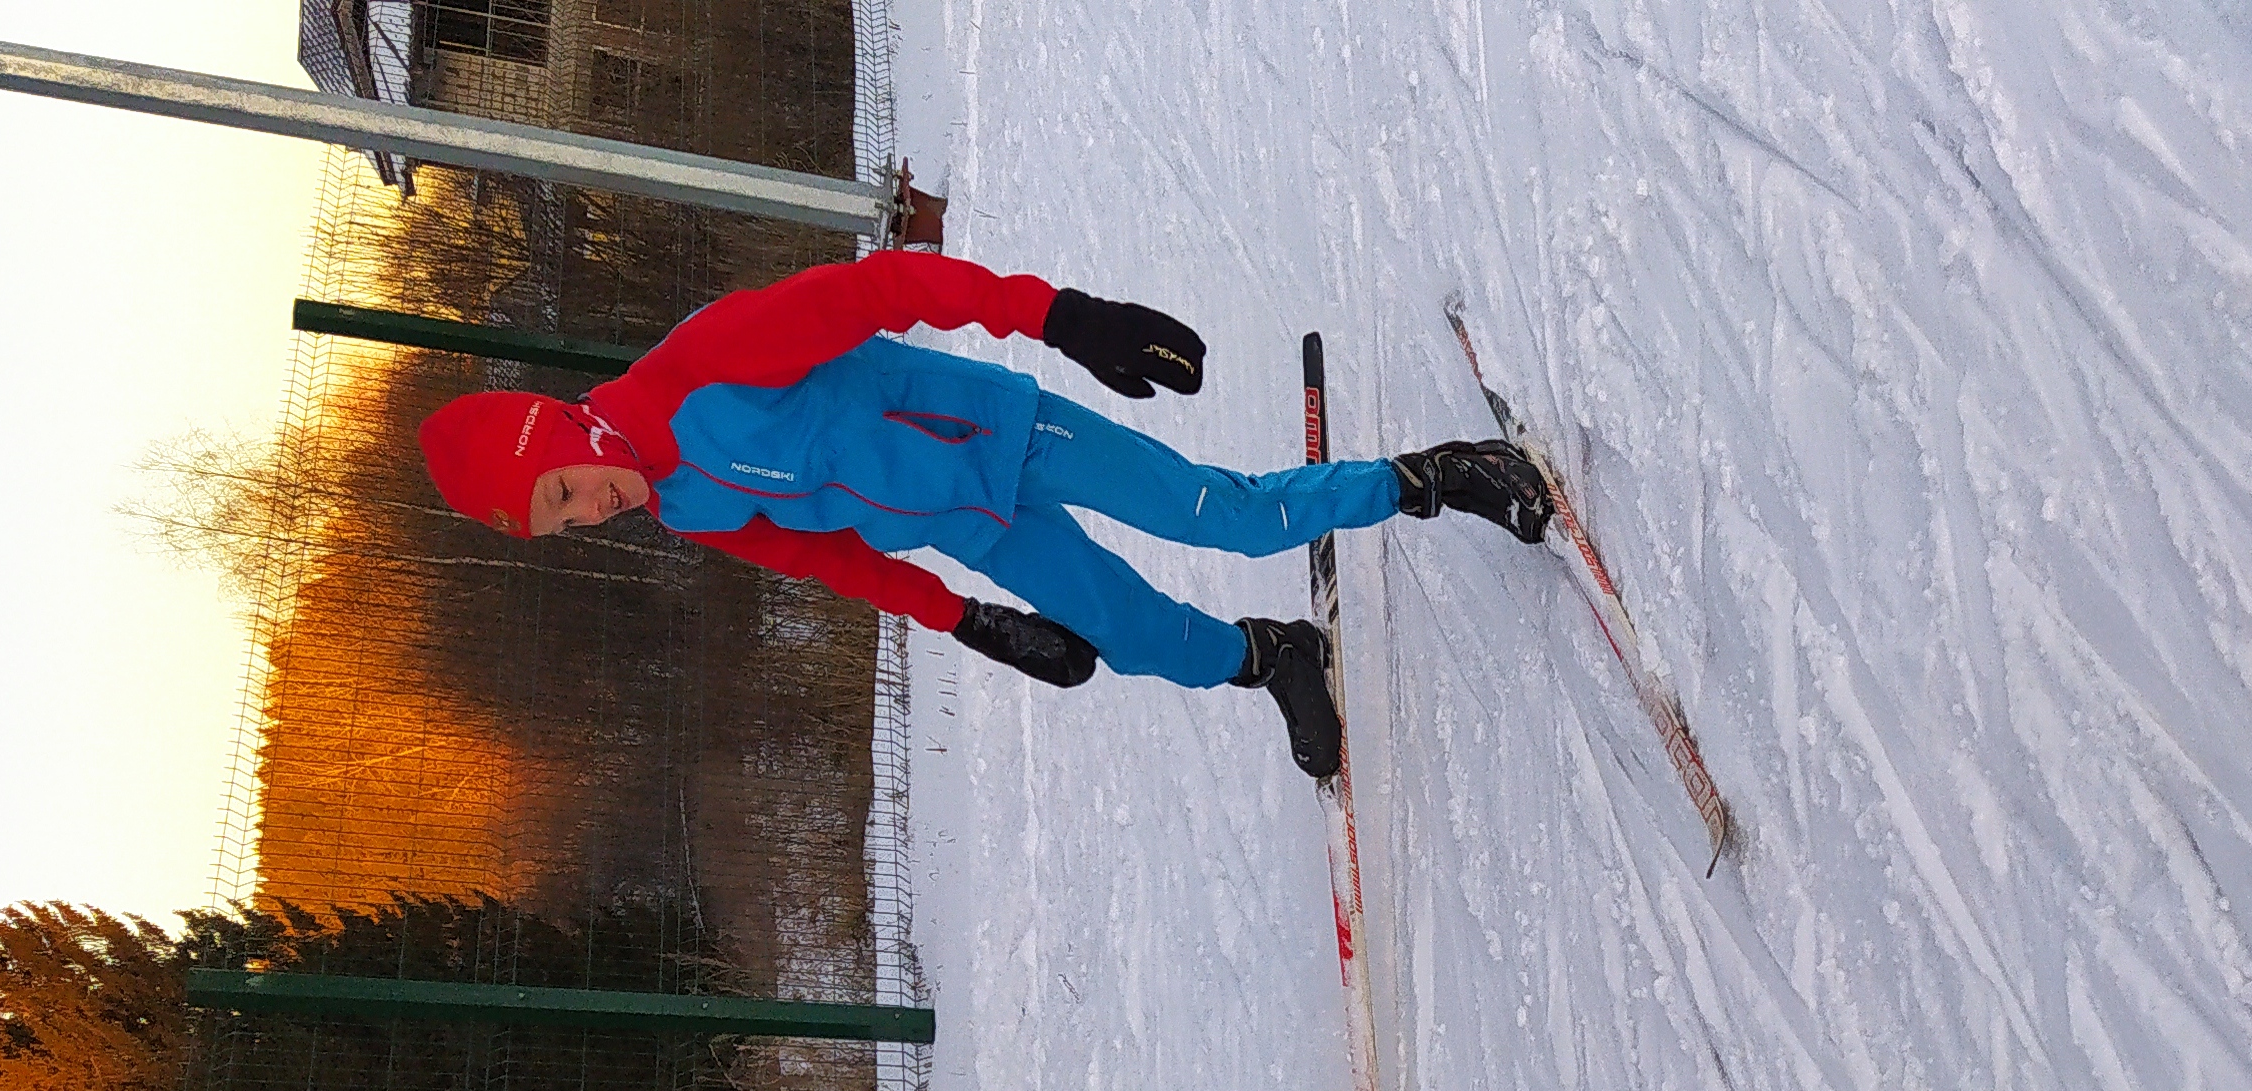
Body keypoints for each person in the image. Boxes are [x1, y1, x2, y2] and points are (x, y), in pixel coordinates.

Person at [413, 250, 1552, 781]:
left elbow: (883, 289)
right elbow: (826, 558)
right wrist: (963, 621)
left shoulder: (696, 371)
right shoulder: (681, 505)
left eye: (564, 489)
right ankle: (1273, 655)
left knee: (1227, 517)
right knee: (1142, 637)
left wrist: (1057, 317)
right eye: (567, 525)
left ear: (553, 429)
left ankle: (1440, 475)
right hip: (970, 527)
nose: (591, 510)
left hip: (1006, 438)